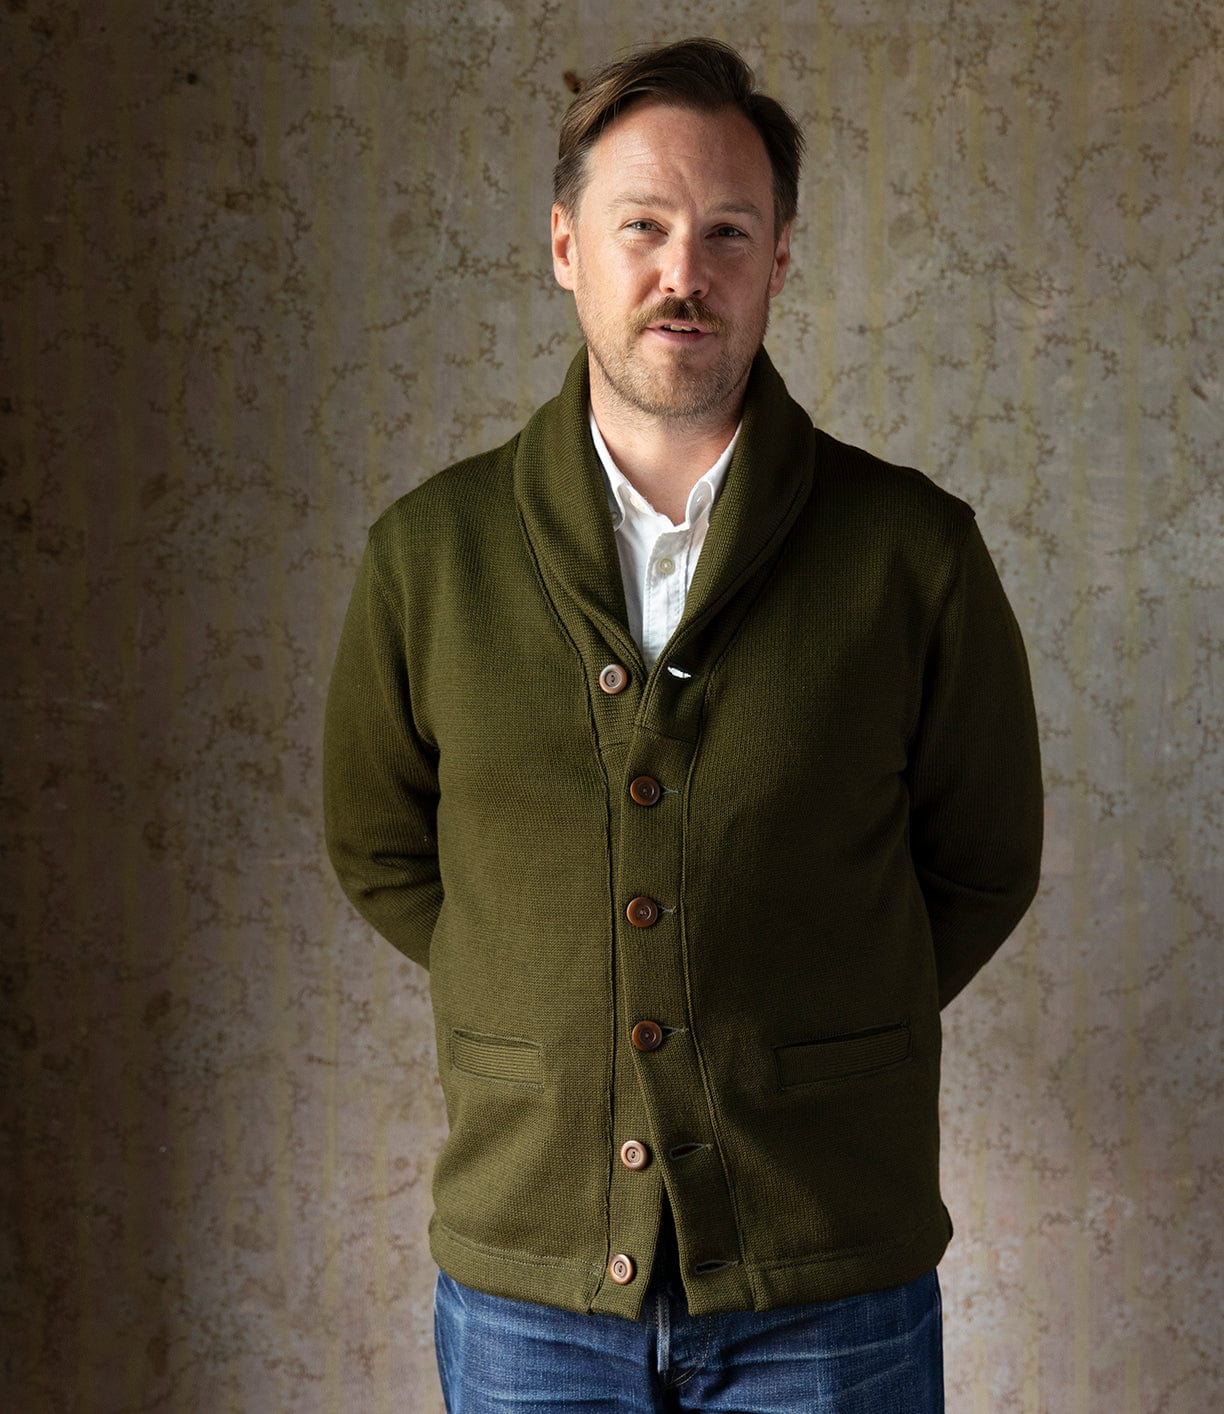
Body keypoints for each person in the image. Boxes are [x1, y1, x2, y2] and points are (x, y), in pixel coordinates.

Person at [323, 36, 1043, 1414]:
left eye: (727, 231)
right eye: (641, 226)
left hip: (829, 1277)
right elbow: (381, 848)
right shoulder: (429, 553)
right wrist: (546, 991)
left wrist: (810, 1020)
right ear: (563, 248)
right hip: (529, 1282)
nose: (682, 271)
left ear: (777, 260)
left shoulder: (913, 552)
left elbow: (982, 862)